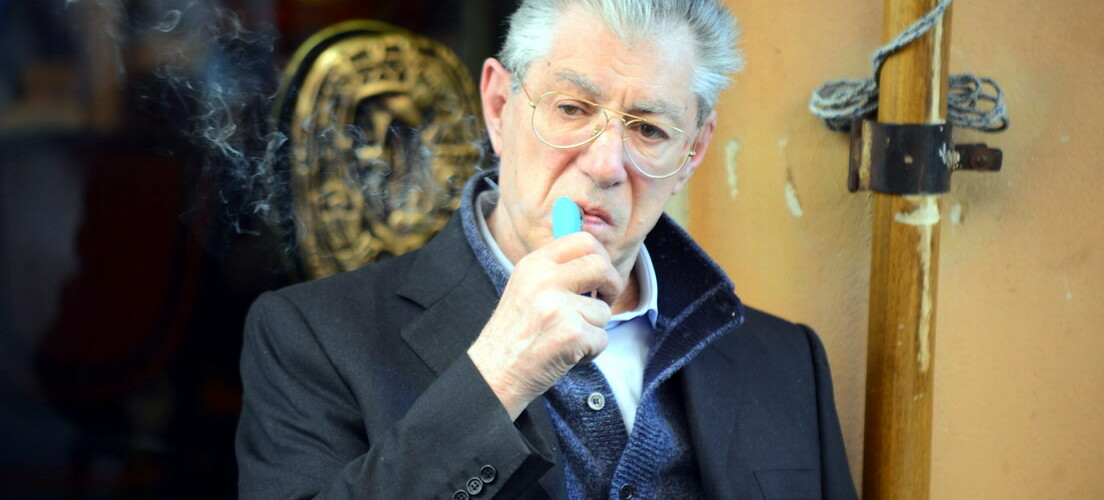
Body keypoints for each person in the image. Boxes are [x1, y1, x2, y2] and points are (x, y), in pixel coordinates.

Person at [236, 1, 859, 499]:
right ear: (498, 107)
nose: (606, 164)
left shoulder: (786, 362)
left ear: (693, 151)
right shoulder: (311, 336)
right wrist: (499, 376)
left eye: (648, 129)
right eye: (572, 109)